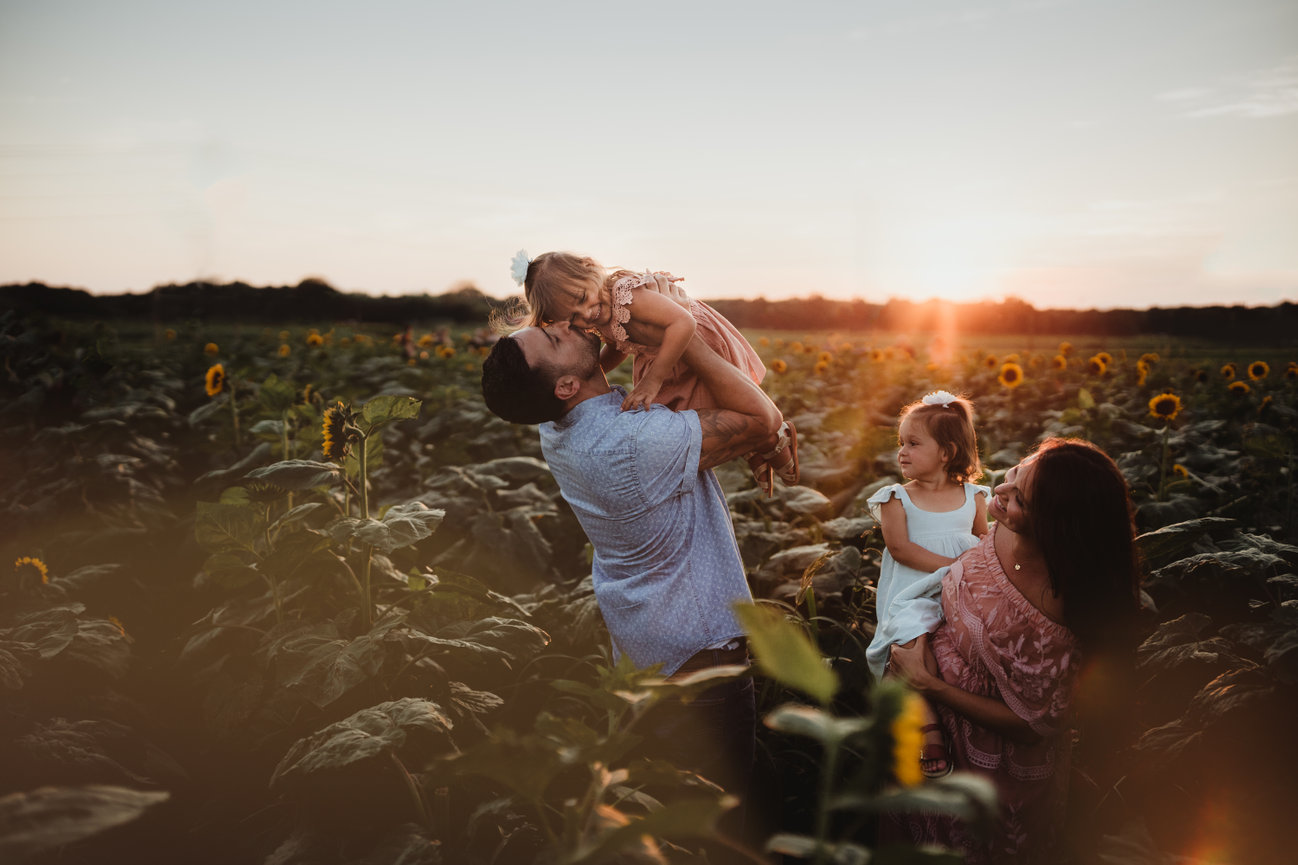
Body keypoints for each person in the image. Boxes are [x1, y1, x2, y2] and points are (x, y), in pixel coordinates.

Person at [480, 274, 783, 849]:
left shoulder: (559, 427)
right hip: (698, 661)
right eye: (553, 336)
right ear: (566, 384)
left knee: (676, 821)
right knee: (718, 835)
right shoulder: (632, 443)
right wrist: (681, 332)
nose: (563, 323)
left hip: (645, 648)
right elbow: (760, 420)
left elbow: (593, 375)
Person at [887, 438, 1142, 865]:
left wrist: (928, 684)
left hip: (986, 771)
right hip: (928, 734)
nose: (1000, 491)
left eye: (1019, 498)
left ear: (1055, 528)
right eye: (1014, 473)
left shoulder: (1055, 616)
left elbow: (1032, 725)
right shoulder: (1006, 524)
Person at [506, 249, 797, 496]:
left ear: (590, 269)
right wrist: (590, 372)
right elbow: (618, 345)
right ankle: (755, 445)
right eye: (573, 317)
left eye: (582, 298)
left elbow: (683, 323)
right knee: (691, 419)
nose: (586, 314)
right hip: (665, 353)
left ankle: (772, 439)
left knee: (721, 407)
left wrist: (652, 381)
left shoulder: (626, 294)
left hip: (688, 339)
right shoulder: (600, 313)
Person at [865, 390, 989, 779]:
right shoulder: (896, 498)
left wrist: (972, 574)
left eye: (913, 444)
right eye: (901, 443)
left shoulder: (973, 496)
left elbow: (985, 542)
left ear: (947, 453)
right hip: (914, 594)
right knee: (909, 646)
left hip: (964, 590)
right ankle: (929, 726)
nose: (902, 452)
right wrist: (954, 567)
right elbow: (901, 549)